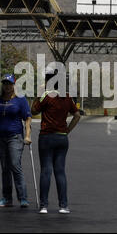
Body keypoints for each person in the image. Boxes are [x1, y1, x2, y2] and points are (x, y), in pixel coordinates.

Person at [31, 68, 81, 214]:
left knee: (46, 170)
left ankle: (44, 205)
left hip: (47, 136)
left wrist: (38, 94)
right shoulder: (66, 96)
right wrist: (67, 130)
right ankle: (63, 205)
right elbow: (77, 115)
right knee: (60, 171)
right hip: (62, 137)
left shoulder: (46, 96)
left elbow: (33, 111)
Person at [0, 74, 32, 208]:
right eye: (5, 83)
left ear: (14, 85)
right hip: (0, 138)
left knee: (15, 165)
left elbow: (27, 118)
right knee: (5, 168)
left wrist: (27, 135)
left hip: (15, 137)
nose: (7, 86)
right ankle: (7, 198)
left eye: (10, 83)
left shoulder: (20, 100)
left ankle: (23, 198)